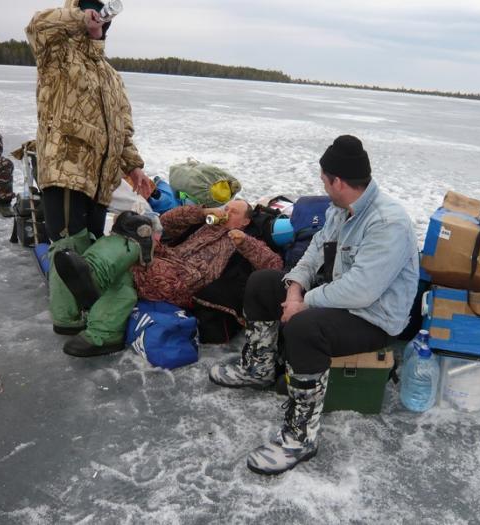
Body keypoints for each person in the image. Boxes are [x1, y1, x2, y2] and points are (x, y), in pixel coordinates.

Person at [209, 135, 420, 475]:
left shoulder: (387, 223)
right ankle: (259, 368)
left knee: (306, 328)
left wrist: (305, 304)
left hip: (373, 318)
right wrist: (294, 290)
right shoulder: (340, 209)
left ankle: (301, 436)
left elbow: (361, 291)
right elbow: (313, 253)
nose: (321, 185)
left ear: (338, 181)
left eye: (324, 180)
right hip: (339, 299)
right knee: (264, 282)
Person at [26, 0, 152, 336]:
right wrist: (76, 18)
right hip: (67, 166)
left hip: (101, 178)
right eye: (91, 11)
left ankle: (84, 312)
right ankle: (66, 320)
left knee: (92, 245)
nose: (98, 18)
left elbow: (121, 128)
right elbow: (37, 26)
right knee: (70, 246)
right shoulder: (57, 54)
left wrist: (133, 167)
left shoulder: (110, 75)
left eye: (102, 14)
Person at [53, 199, 284, 357]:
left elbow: (273, 265)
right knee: (136, 227)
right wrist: (202, 213)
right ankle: (99, 318)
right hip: (169, 258)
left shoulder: (244, 239)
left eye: (234, 211)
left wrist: (244, 242)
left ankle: (92, 275)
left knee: (133, 253)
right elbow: (167, 221)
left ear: (245, 221)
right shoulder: (205, 224)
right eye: (226, 207)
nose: (227, 212)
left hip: (185, 278)